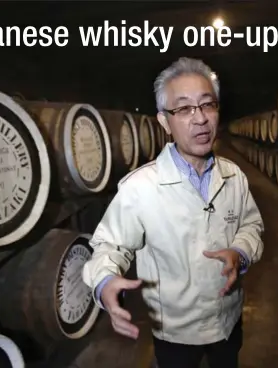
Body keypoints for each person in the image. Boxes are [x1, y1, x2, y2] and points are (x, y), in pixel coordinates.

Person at [81, 57, 264, 368]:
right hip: (176, 333)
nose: (200, 119)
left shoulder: (234, 176)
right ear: (165, 121)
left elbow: (251, 224)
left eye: (208, 105)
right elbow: (110, 246)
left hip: (228, 318)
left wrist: (240, 251)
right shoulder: (140, 188)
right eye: (184, 109)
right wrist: (104, 281)